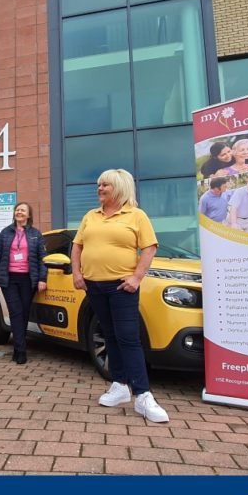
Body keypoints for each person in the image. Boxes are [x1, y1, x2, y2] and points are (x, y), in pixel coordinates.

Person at [71, 169, 169, 424]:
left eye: (105, 185)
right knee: (110, 335)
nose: (100, 188)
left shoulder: (136, 215)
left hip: (121, 287)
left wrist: (136, 278)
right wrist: (77, 273)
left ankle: (143, 394)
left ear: (120, 188)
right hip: (94, 286)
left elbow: (149, 248)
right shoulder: (90, 216)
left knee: (128, 338)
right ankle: (119, 386)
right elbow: (77, 246)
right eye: (99, 184)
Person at [0, 202, 47, 365]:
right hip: (9, 279)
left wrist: (42, 279)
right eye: (17, 210)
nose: (19, 212)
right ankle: (21, 351)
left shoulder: (36, 234)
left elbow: (42, 259)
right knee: (15, 312)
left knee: (24, 313)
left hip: (28, 279)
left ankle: (17, 348)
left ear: (28, 215)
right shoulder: (5, 233)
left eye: (22, 210)